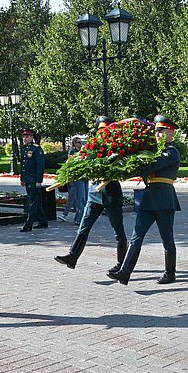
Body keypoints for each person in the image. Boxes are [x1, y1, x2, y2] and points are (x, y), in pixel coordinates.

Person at [107, 115, 181, 285]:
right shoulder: (153, 151)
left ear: (171, 133)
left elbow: (150, 166)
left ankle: (170, 274)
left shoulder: (171, 152)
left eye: (161, 131)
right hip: (149, 199)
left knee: (166, 238)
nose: (157, 135)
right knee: (136, 237)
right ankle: (125, 273)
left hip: (164, 200)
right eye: (156, 132)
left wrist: (126, 167)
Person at [55, 116, 128, 271]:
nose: (102, 133)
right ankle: (72, 257)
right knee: (84, 226)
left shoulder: (117, 147)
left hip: (111, 193)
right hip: (94, 192)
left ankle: (122, 264)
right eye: (100, 130)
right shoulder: (92, 147)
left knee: (118, 230)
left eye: (105, 130)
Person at [18, 128, 48, 232]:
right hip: (27, 179)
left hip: (34, 179)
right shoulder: (24, 148)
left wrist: (39, 180)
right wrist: (22, 178)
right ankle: (43, 221)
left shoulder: (36, 148)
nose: (24, 138)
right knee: (35, 201)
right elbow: (23, 165)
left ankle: (28, 224)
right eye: (23, 136)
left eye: (27, 136)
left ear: (31, 137)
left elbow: (40, 166)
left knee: (32, 202)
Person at [58, 137, 88, 224]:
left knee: (85, 199)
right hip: (77, 178)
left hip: (85, 177)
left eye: (80, 142)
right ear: (74, 143)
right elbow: (70, 165)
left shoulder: (84, 151)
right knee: (80, 199)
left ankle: (80, 217)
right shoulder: (73, 153)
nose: (80, 143)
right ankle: (79, 219)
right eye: (78, 142)